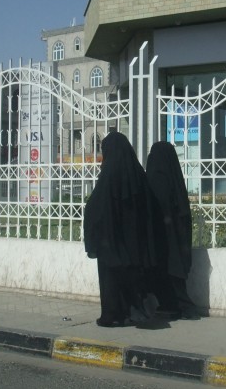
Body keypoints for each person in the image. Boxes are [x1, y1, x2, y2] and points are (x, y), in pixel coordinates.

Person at [83, 132, 159, 327]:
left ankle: (114, 315)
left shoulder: (108, 175)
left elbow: (95, 209)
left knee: (111, 278)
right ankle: (137, 311)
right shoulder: (138, 173)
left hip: (110, 241)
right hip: (135, 242)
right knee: (133, 274)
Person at [145, 141, 199, 320]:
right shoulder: (173, 178)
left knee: (164, 270)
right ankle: (178, 306)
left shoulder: (155, 177)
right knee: (174, 271)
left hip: (160, 237)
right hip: (175, 236)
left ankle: (174, 306)